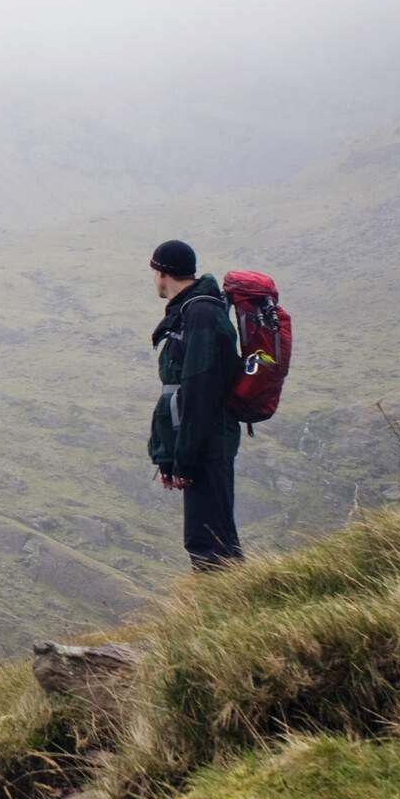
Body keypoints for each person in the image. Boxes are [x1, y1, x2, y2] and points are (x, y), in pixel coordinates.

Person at [147, 239, 244, 569]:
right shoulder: (192, 311)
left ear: (163, 273)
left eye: (155, 272)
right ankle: (235, 604)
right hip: (202, 443)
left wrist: (185, 461)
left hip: (208, 444)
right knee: (211, 534)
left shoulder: (200, 314)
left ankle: (229, 610)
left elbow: (199, 392)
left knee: (209, 541)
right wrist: (169, 458)